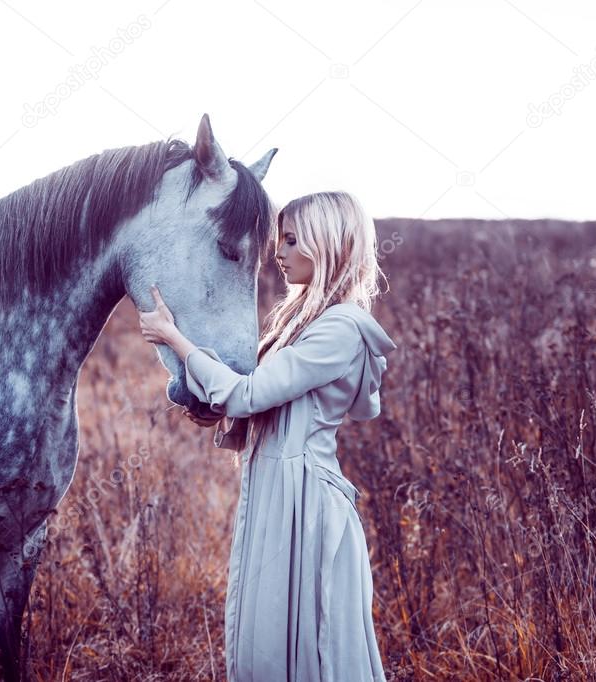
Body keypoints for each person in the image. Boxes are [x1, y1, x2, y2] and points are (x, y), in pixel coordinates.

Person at [138, 191, 396, 681]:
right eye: (281, 238)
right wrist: (222, 409)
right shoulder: (307, 321)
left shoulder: (340, 329)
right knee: (267, 640)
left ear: (329, 244)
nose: (278, 252)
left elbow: (250, 394)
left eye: (294, 240)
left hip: (306, 502)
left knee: (308, 645)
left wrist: (176, 340)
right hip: (281, 489)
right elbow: (262, 403)